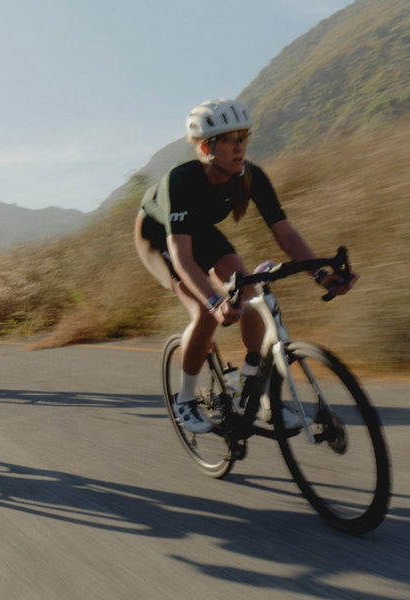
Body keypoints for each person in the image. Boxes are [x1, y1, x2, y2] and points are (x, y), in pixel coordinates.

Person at [134, 98, 356, 434]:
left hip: (201, 232)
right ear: (206, 148)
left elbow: (285, 233)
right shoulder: (180, 181)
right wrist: (215, 302)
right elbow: (181, 255)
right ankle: (187, 399)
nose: (239, 147)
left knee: (250, 291)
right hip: (159, 240)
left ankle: (255, 386)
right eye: (228, 140)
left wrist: (321, 275)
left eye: (243, 137)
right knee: (204, 313)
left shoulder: (250, 176)